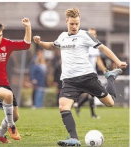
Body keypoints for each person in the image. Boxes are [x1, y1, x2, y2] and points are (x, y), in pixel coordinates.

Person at [33, 7, 127, 146]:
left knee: (110, 103)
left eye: (77, 23)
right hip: (69, 81)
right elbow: (52, 46)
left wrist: (117, 62)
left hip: (87, 77)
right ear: (66, 22)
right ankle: (74, 139)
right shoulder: (62, 36)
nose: (74, 26)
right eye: (72, 24)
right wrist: (40, 43)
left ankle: (110, 78)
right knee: (63, 107)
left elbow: (103, 48)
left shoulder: (85, 35)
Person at [74, 28, 106, 119]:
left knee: (92, 93)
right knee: (92, 92)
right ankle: (91, 114)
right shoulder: (83, 46)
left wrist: (104, 71)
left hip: (93, 73)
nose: (93, 35)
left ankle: (79, 105)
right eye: (91, 34)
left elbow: (98, 60)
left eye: (94, 34)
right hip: (84, 73)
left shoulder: (95, 46)